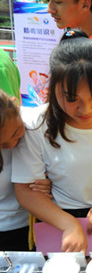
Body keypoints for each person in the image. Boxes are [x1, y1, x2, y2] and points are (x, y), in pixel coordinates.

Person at [12, 31, 92, 252]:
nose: (86, 109)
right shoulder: (36, 123)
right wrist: (68, 225)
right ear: (53, 88)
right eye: (71, 98)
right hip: (54, 219)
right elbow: (26, 190)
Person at [0, 91, 52, 251]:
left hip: (29, 228)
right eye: (3, 145)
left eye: (16, 132)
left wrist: (49, 182)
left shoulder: (35, 122)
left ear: (15, 104)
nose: (13, 144)